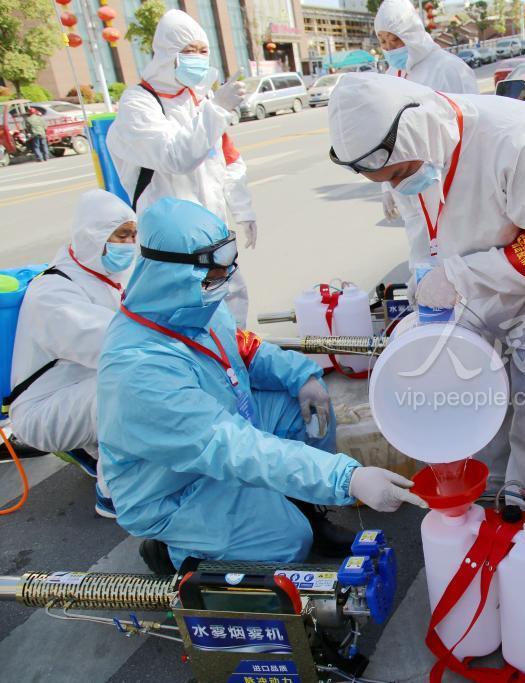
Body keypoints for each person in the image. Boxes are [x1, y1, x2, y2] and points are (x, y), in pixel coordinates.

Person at [97, 197, 425, 572]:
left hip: (226, 433)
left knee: (307, 410)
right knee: (288, 542)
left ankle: (304, 511)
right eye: (216, 274)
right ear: (174, 275)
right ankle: (172, 552)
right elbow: (230, 445)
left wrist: (301, 376)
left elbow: (246, 350)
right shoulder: (139, 369)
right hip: (175, 488)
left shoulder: (192, 306)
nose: (225, 281)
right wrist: (345, 478)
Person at [327, 74, 525, 512]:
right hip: (475, 283)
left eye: (398, 175)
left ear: (416, 133)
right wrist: (425, 279)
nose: (397, 186)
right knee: (477, 395)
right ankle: (487, 497)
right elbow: (425, 230)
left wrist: (457, 277)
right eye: (385, 181)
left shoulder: (515, 138)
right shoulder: (417, 155)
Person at [107, 9, 255, 327]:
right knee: (183, 323)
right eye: (189, 51)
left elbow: (228, 160)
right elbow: (174, 156)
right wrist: (216, 110)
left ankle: (232, 357)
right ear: (167, 53)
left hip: (213, 236)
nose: (198, 58)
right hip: (172, 245)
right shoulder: (139, 104)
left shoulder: (198, 100)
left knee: (231, 313)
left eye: (203, 51)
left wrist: (243, 209)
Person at [6, 190, 137, 518]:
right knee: (132, 386)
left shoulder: (103, 275)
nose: (129, 244)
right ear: (92, 235)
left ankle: (92, 447)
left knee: (130, 380)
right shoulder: (53, 293)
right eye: (121, 236)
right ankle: (114, 492)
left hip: (72, 390)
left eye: (133, 235)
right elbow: (115, 343)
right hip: (42, 410)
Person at [374, 0, 478, 220]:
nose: (389, 48)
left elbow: (472, 130)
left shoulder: (448, 69)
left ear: (410, 34)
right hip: (410, 193)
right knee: (421, 240)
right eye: (383, 41)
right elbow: (387, 135)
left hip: (451, 188)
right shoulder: (392, 75)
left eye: (395, 39)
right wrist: (387, 186)